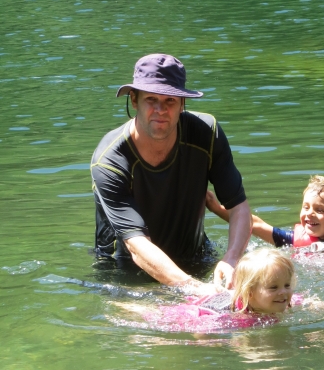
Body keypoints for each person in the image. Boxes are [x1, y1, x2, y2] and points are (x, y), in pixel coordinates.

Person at [91, 53, 251, 289]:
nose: (160, 110)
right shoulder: (109, 160)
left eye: (170, 101)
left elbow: (238, 207)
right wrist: (193, 288)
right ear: (134, 101)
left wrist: (231, 259)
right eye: (151, 100)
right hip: (126, 272)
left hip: (196, 257)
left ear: (182, 104)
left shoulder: (206, 133)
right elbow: (136, 245)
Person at [112, 248, 302, 332]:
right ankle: (122, 304)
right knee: (156, 314)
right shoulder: (240, 320)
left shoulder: (284, 299)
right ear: (249, 292)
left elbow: (301, 300)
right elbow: (202, 331)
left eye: (287, 285)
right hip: (201, 312)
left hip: (223, 298)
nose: (283, 292)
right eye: (273, 287)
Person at [207, 175, 324, 254]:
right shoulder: (293, 239)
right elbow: (256, 225)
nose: (310, 214)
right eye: (306, 207)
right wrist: (216, 208)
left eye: (319, 210)